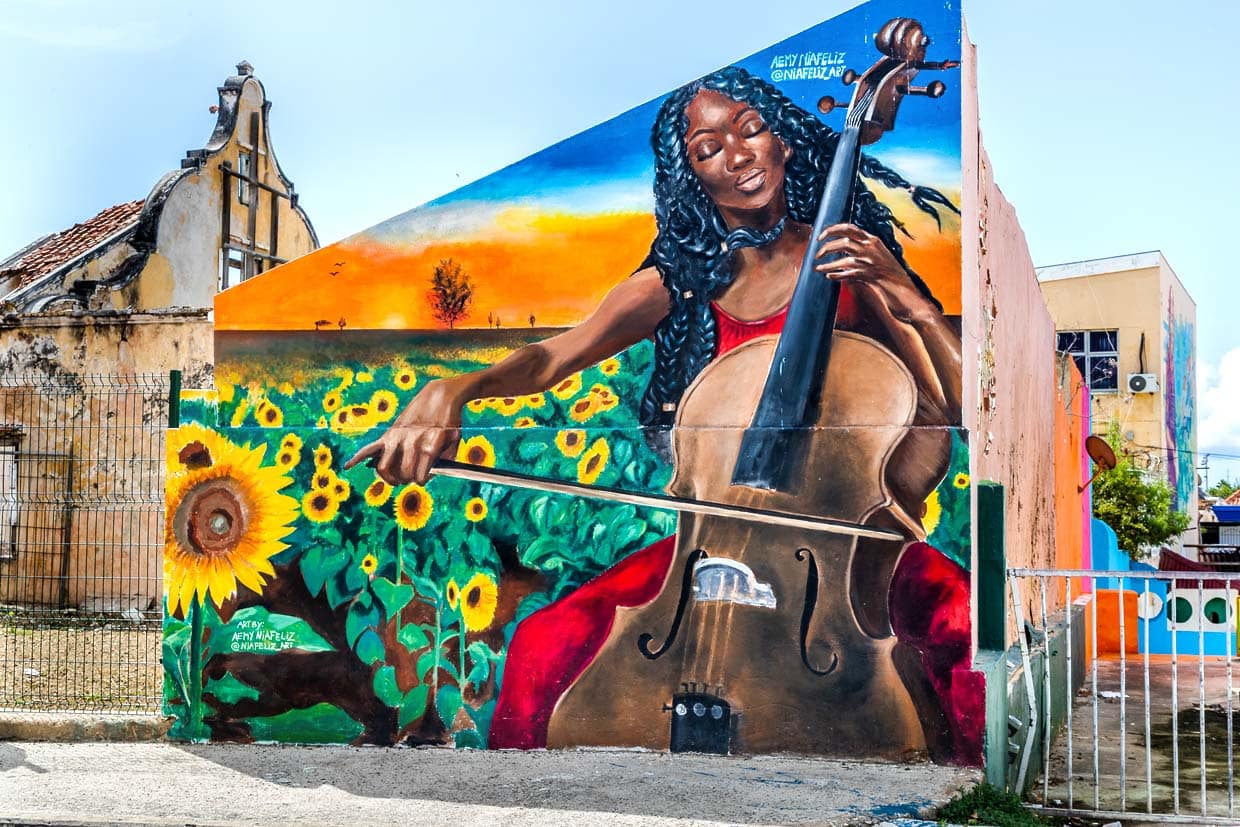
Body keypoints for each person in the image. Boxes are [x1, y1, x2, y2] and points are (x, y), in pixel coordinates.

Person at [347, 66, 977, 761]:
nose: (736, 156)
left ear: (786, 141)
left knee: (964, 627)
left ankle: (979, 792)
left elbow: (956, 399)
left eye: (749, 129)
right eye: (708, 148)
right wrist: (455, 388)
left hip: (847, 549)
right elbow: (554, 357)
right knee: (544, 644)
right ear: (692, 177)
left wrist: (903, 292)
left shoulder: (847, 261)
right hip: (708, 547)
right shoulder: (682, 277)